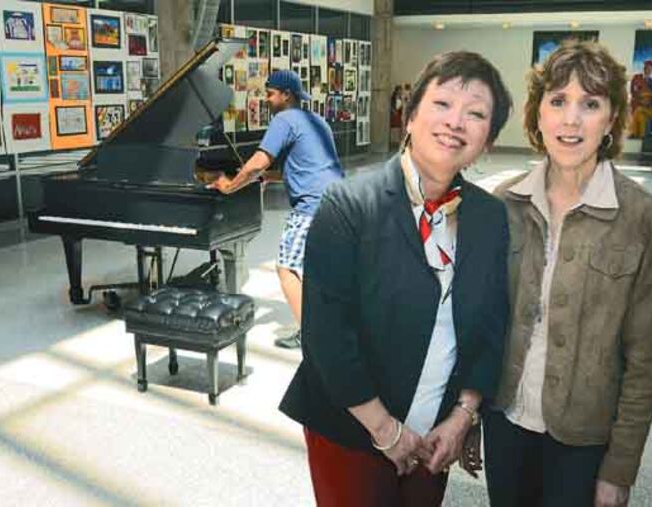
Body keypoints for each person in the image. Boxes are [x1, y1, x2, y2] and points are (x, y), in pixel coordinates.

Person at [279, 51, 512, 506]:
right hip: (351, 427)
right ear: (410, 116)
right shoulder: (348, 204)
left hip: (435, 432)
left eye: (477, 113)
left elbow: (491, 324)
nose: (456, 122)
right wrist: (386, 431)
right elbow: (326, 334)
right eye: (442, 104)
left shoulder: (489, 216)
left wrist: (463, 415)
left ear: (488, 140)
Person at [486, 40, 652, 507]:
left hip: (584, 441)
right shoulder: (504, 205)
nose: (571, 120)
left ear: (611, 119)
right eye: (558, 101)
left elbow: (644, 357)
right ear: (538, 115)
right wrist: (468, 418)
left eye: (590, 103)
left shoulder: (640, 216)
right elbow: (482, 326)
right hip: (505, 423)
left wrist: (620, 469)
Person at [209, 70, 344, 349]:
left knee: (287, 268)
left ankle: (311, 336)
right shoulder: (317, 121)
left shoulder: (284, 119)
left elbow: (258, 161)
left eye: (270, 94)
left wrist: (230, 185)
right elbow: (308, 167)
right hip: (340, 203)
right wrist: (267, 178)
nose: (267, 100)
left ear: (286, 95)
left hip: (311, 207)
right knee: (319, 271)